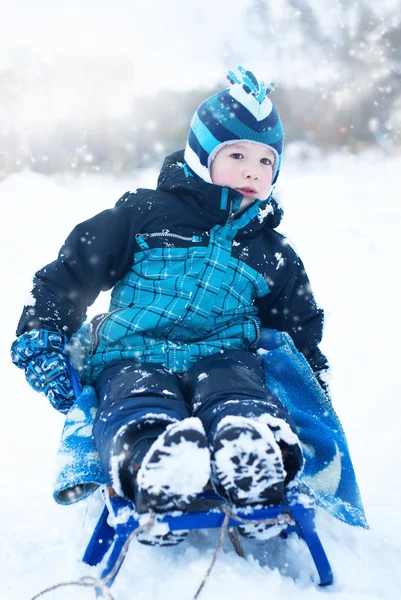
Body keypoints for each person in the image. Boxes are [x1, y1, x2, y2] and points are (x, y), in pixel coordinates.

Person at [11, 66, 329, 544]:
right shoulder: (145, 214)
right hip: (132, 354)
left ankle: (255, 460)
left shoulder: (272, 251)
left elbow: (296, 322)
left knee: (239, 394)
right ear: (201, 157)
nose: (251, 170)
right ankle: (154, 464)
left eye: (266, 162)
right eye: (236, 154)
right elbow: (73, 272)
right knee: (137, 399)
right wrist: (44, 331)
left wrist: (312, 373)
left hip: (223, 355)